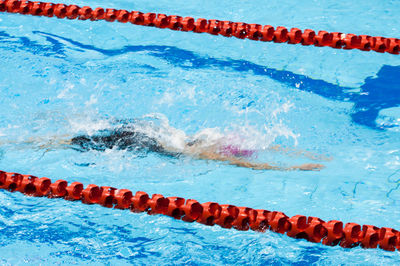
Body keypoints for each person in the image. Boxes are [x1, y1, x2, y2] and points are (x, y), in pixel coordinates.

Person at [65, 119, 325, 171]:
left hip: (152, 130)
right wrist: (295, 168)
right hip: (146, 142)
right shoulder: (209, 154)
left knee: (92, 132)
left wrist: (300, 154)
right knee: (84, 141)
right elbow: (245, 164)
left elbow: (266, 148)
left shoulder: (211, 137)